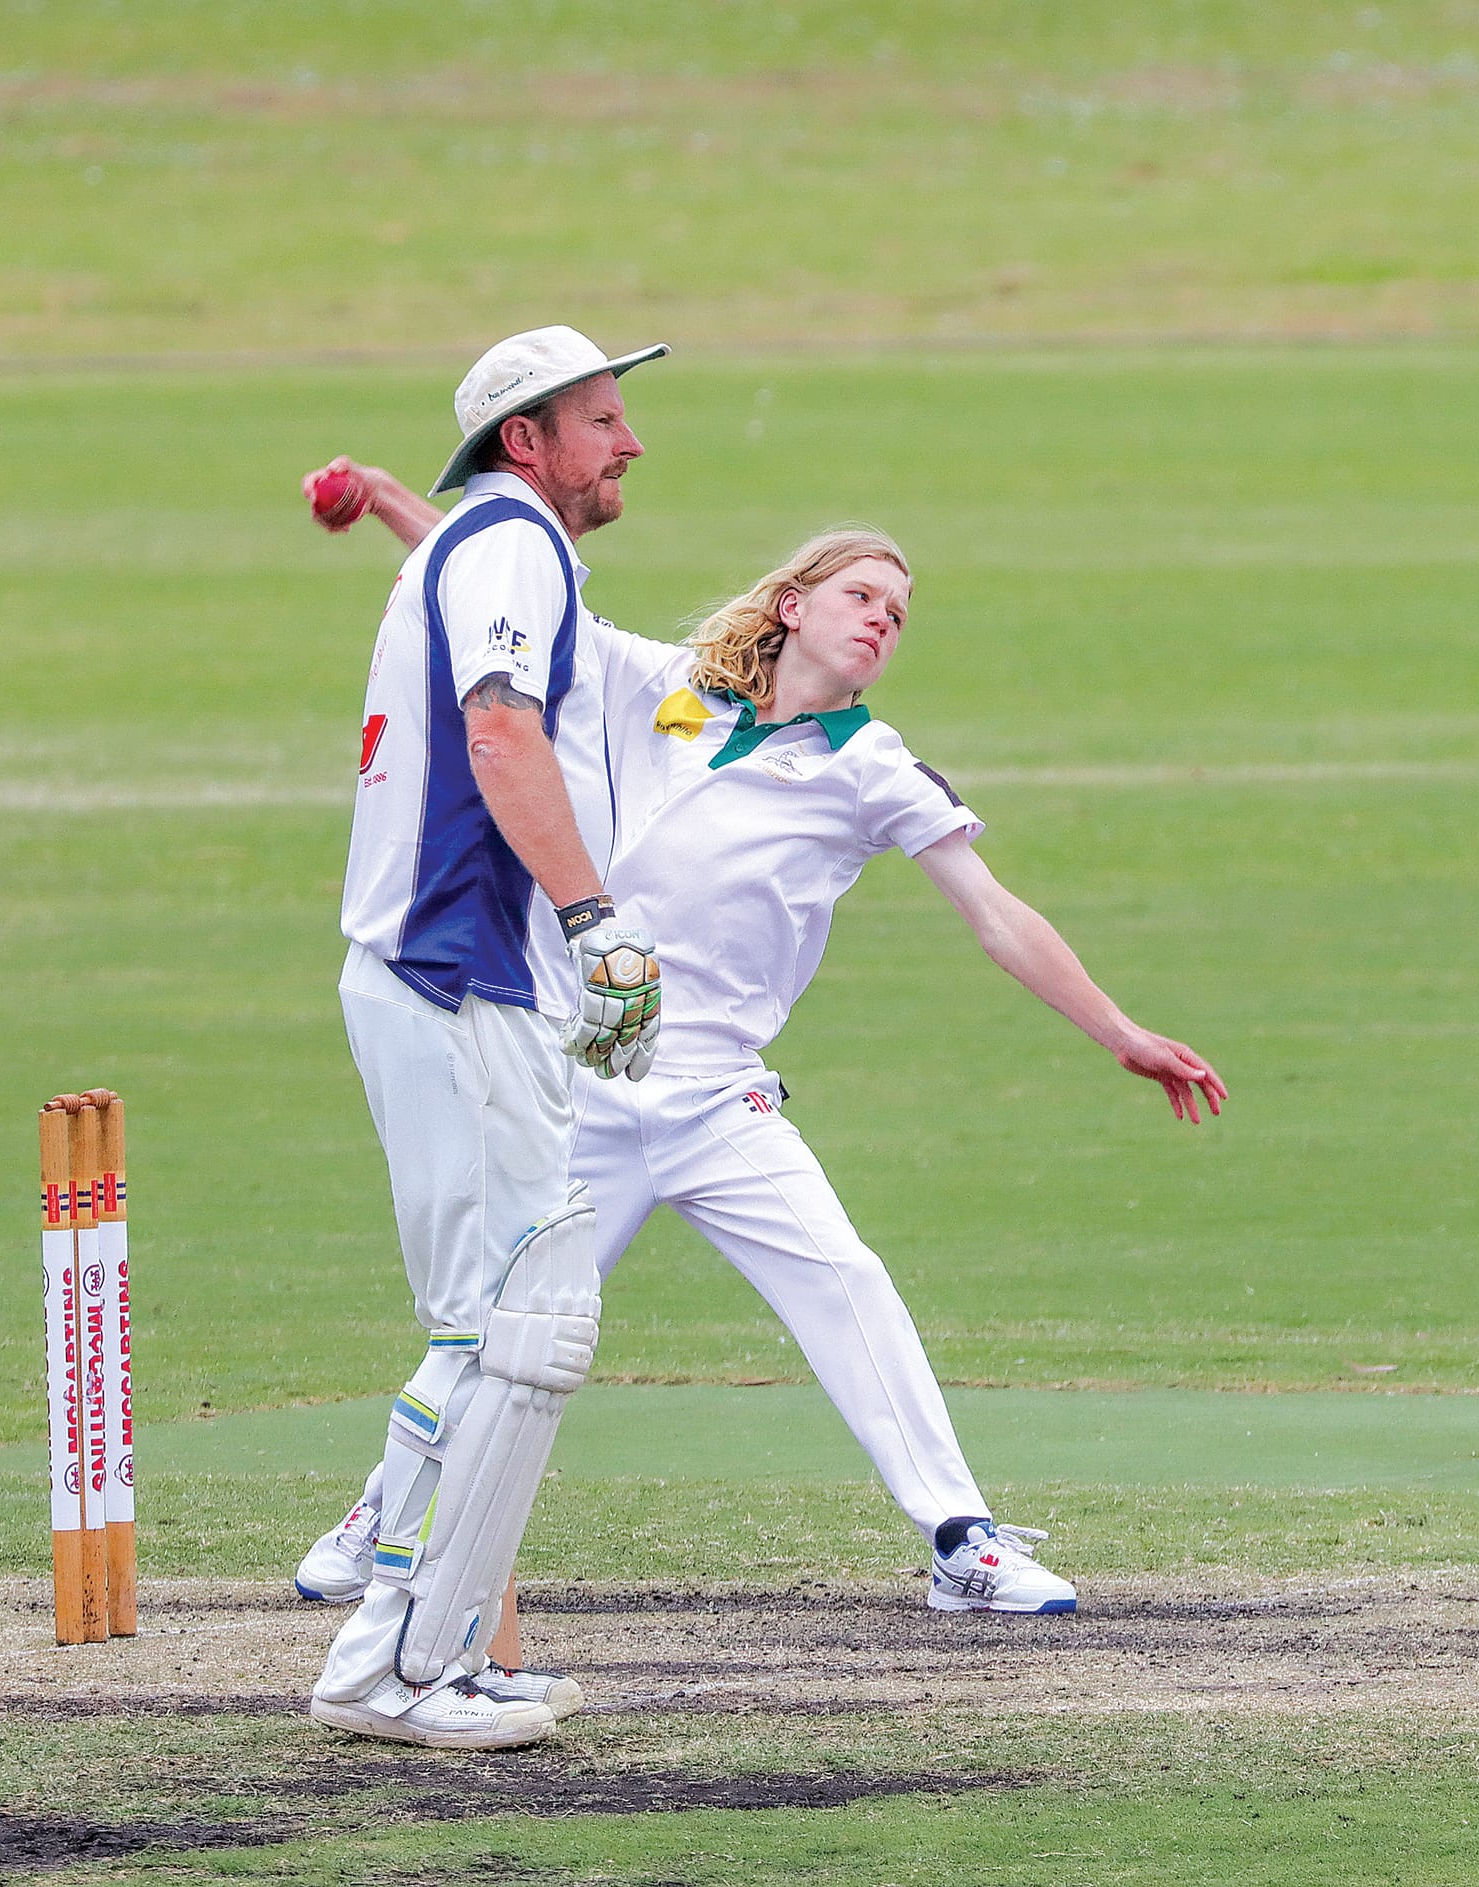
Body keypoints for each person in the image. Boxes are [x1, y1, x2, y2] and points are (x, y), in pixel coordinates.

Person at [299, 469, 1228, 1644]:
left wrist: (1122, 1033)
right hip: (584, 1075)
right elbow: (504, 593)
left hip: (715, 1096)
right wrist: (386, 498)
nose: (882, 617)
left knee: (844, 1282)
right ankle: (374, 1518)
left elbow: (994, 914)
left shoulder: (869, 762)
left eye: (897, 611)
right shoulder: (667, 690)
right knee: (496, 1319)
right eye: (860, 593)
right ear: (791, 604)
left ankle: (960, 1538)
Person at [308, 326, 670, 1754]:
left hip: (456, 981)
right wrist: (597, 923)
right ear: (530, 441)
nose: (630, 441)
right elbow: (500, 735)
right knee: (522, 1321)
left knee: (503, 1322)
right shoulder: (511, 543)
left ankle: (408, 1645)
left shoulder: (487, 541)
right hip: (455, 974)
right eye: (602, 419)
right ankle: (395, 1662)